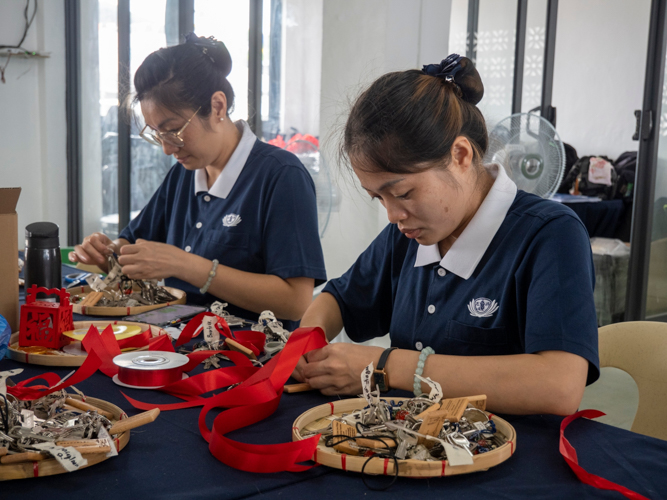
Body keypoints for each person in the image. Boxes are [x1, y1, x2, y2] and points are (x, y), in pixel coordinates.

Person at [294, 54, 599, 415]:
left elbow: (558, 385)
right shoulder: (411, 234)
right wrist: (305, 342)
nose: (393, 215)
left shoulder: (549, 235)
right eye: (379, 198)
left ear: (460, 154)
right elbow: (339, 299)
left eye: (404, 193)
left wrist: (386, 365)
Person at [71, 34, 326, 330]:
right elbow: (132, 243)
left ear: (217, 106)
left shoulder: (281, 176)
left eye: (173, 131)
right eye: (157, 134)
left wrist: (187, 266)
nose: (167, 148)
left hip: (250, 357)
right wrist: (108, 254)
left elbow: (295, 301)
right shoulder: (185, 172)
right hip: (175, 342)